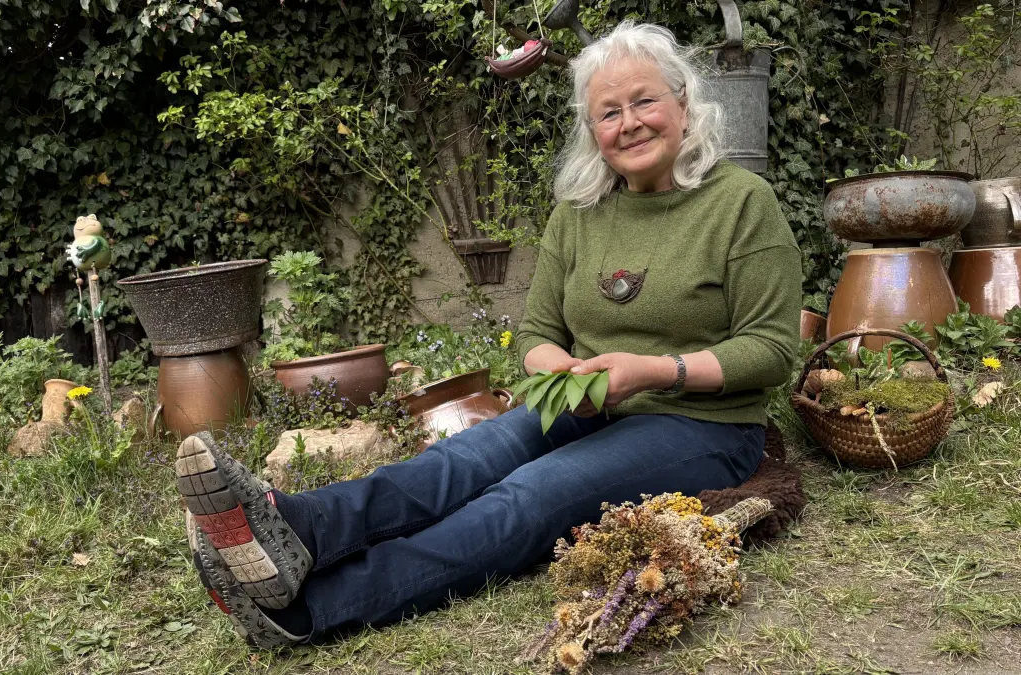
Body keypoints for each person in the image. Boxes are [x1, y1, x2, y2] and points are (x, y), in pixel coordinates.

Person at [176, 20, 802, 649]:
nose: (630, 122)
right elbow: (535, 330)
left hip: (703, 425)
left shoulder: (742, 204)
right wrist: (554, 363)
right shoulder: (579, 212)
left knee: (531, 495)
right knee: (462, 459)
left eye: (645, 100)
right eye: (608, 112)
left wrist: (655, 370)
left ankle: (308, 610)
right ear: (592, 132)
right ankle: (303, 527)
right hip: (586, 402)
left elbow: (772, 350)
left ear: (684, 103)